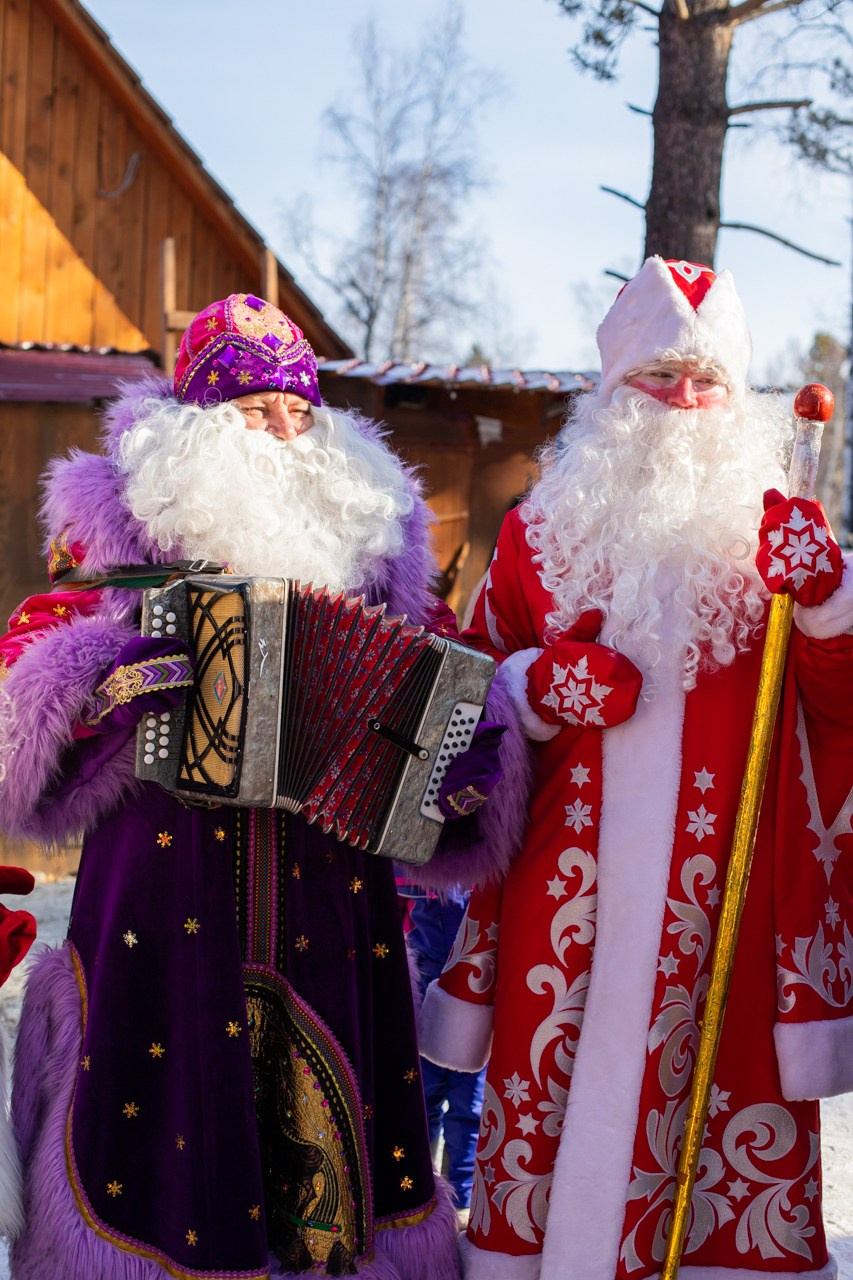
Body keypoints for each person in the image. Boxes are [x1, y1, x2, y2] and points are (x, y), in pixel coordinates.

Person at [0, 294, 529, 1280]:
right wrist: (108, 693)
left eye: (298, 410)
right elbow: (21, 740)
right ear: (198, 428)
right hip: (159, 901)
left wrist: (458, 767)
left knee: (333, 1163)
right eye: (255, 412)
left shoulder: (378, 564)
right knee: (156, 1135)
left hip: (330, 902)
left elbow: (428, 718)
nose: (286, 430)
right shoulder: (119, 548)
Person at [419, 258, 853, 1280]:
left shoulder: (783, 543)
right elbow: (464, 696)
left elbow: (837, 709)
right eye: (661, 376)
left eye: (708, 381)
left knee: (714, 1137)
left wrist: (830, 599)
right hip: (557, 910)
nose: (686, 401)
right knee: (551, 1101)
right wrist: (537, 685)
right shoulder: (537, 535)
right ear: (612, 390)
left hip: (731, 910)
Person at [402, 886, 486, 1213]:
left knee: (469, 1105)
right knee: (423, 1099)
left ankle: (462, 1205)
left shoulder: (487, 861)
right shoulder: (424, 856)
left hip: (478, 991)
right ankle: (421, 1198)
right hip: (428, 991)